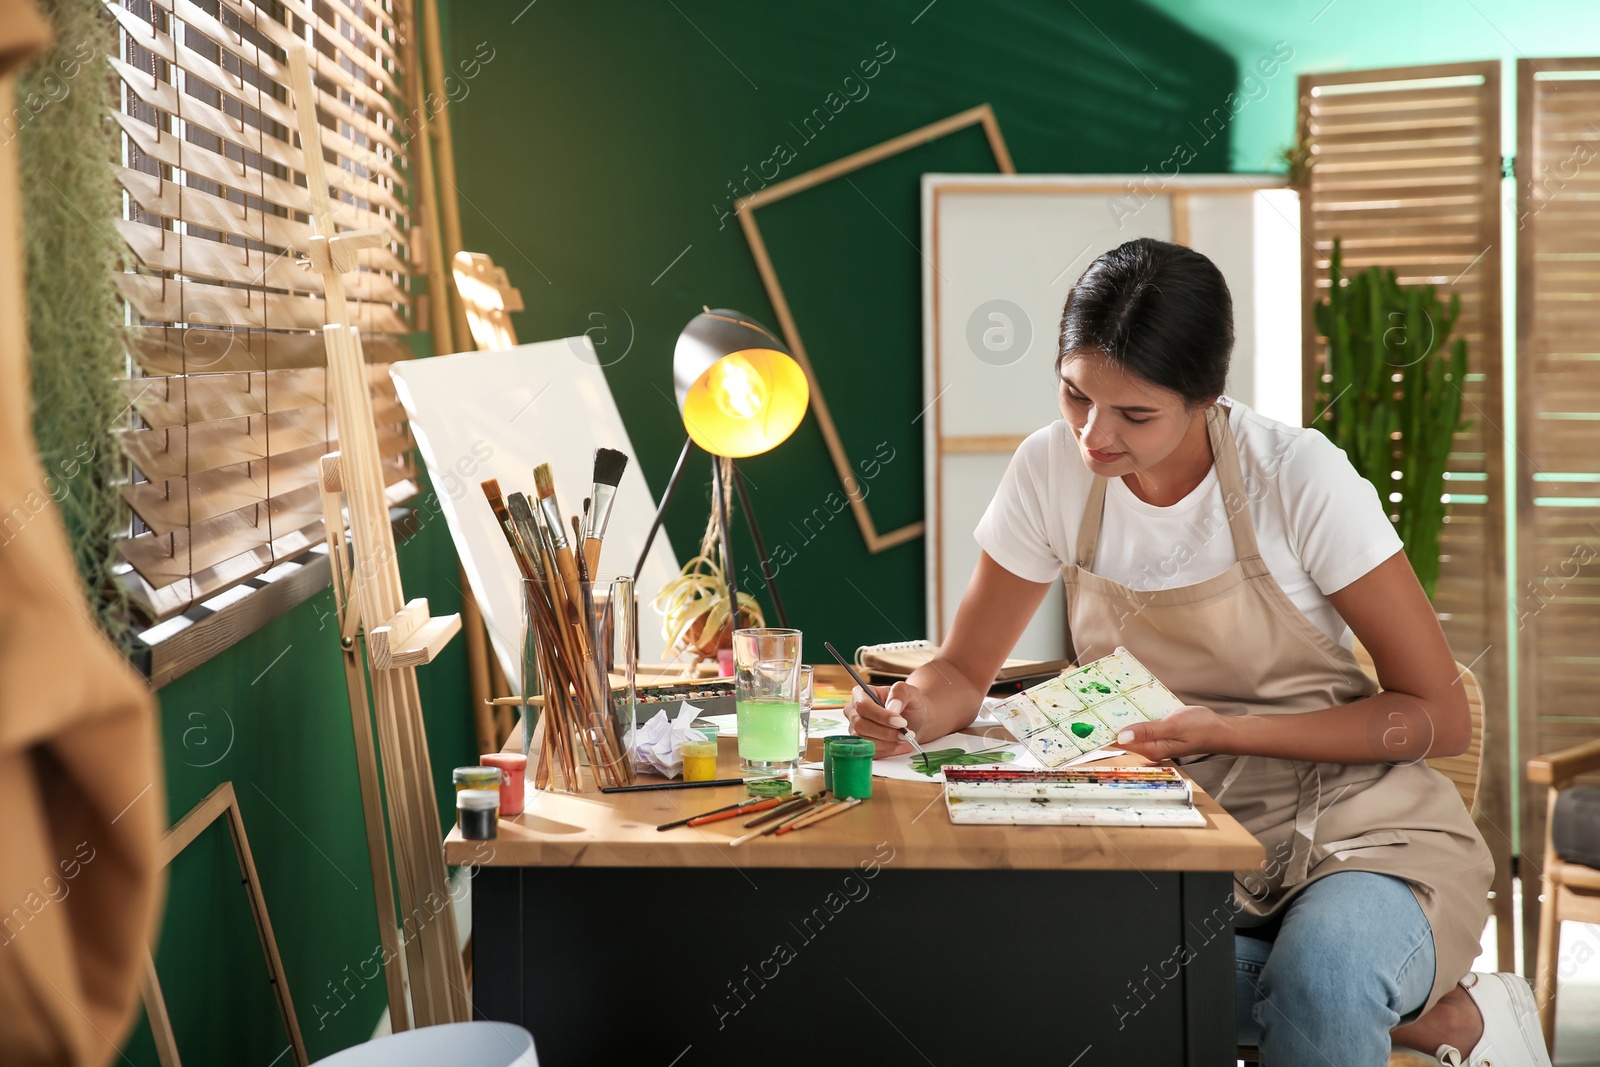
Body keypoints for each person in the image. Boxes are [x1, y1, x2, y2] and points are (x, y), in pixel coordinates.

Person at [843, 238, 1548, 1066]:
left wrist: (1227, 728)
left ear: (1208, 397)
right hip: (1166, 826)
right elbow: (964, 669)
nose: (1092, 437)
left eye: (1134, 414)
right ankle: (1436, 1019)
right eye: (1075, 395)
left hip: (1362, 828)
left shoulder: (1298, 478)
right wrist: (912, 709)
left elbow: (1439, 717)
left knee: (1322, 980)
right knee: (1061, 969)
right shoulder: (1050, 470)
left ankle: (1369, 1001)